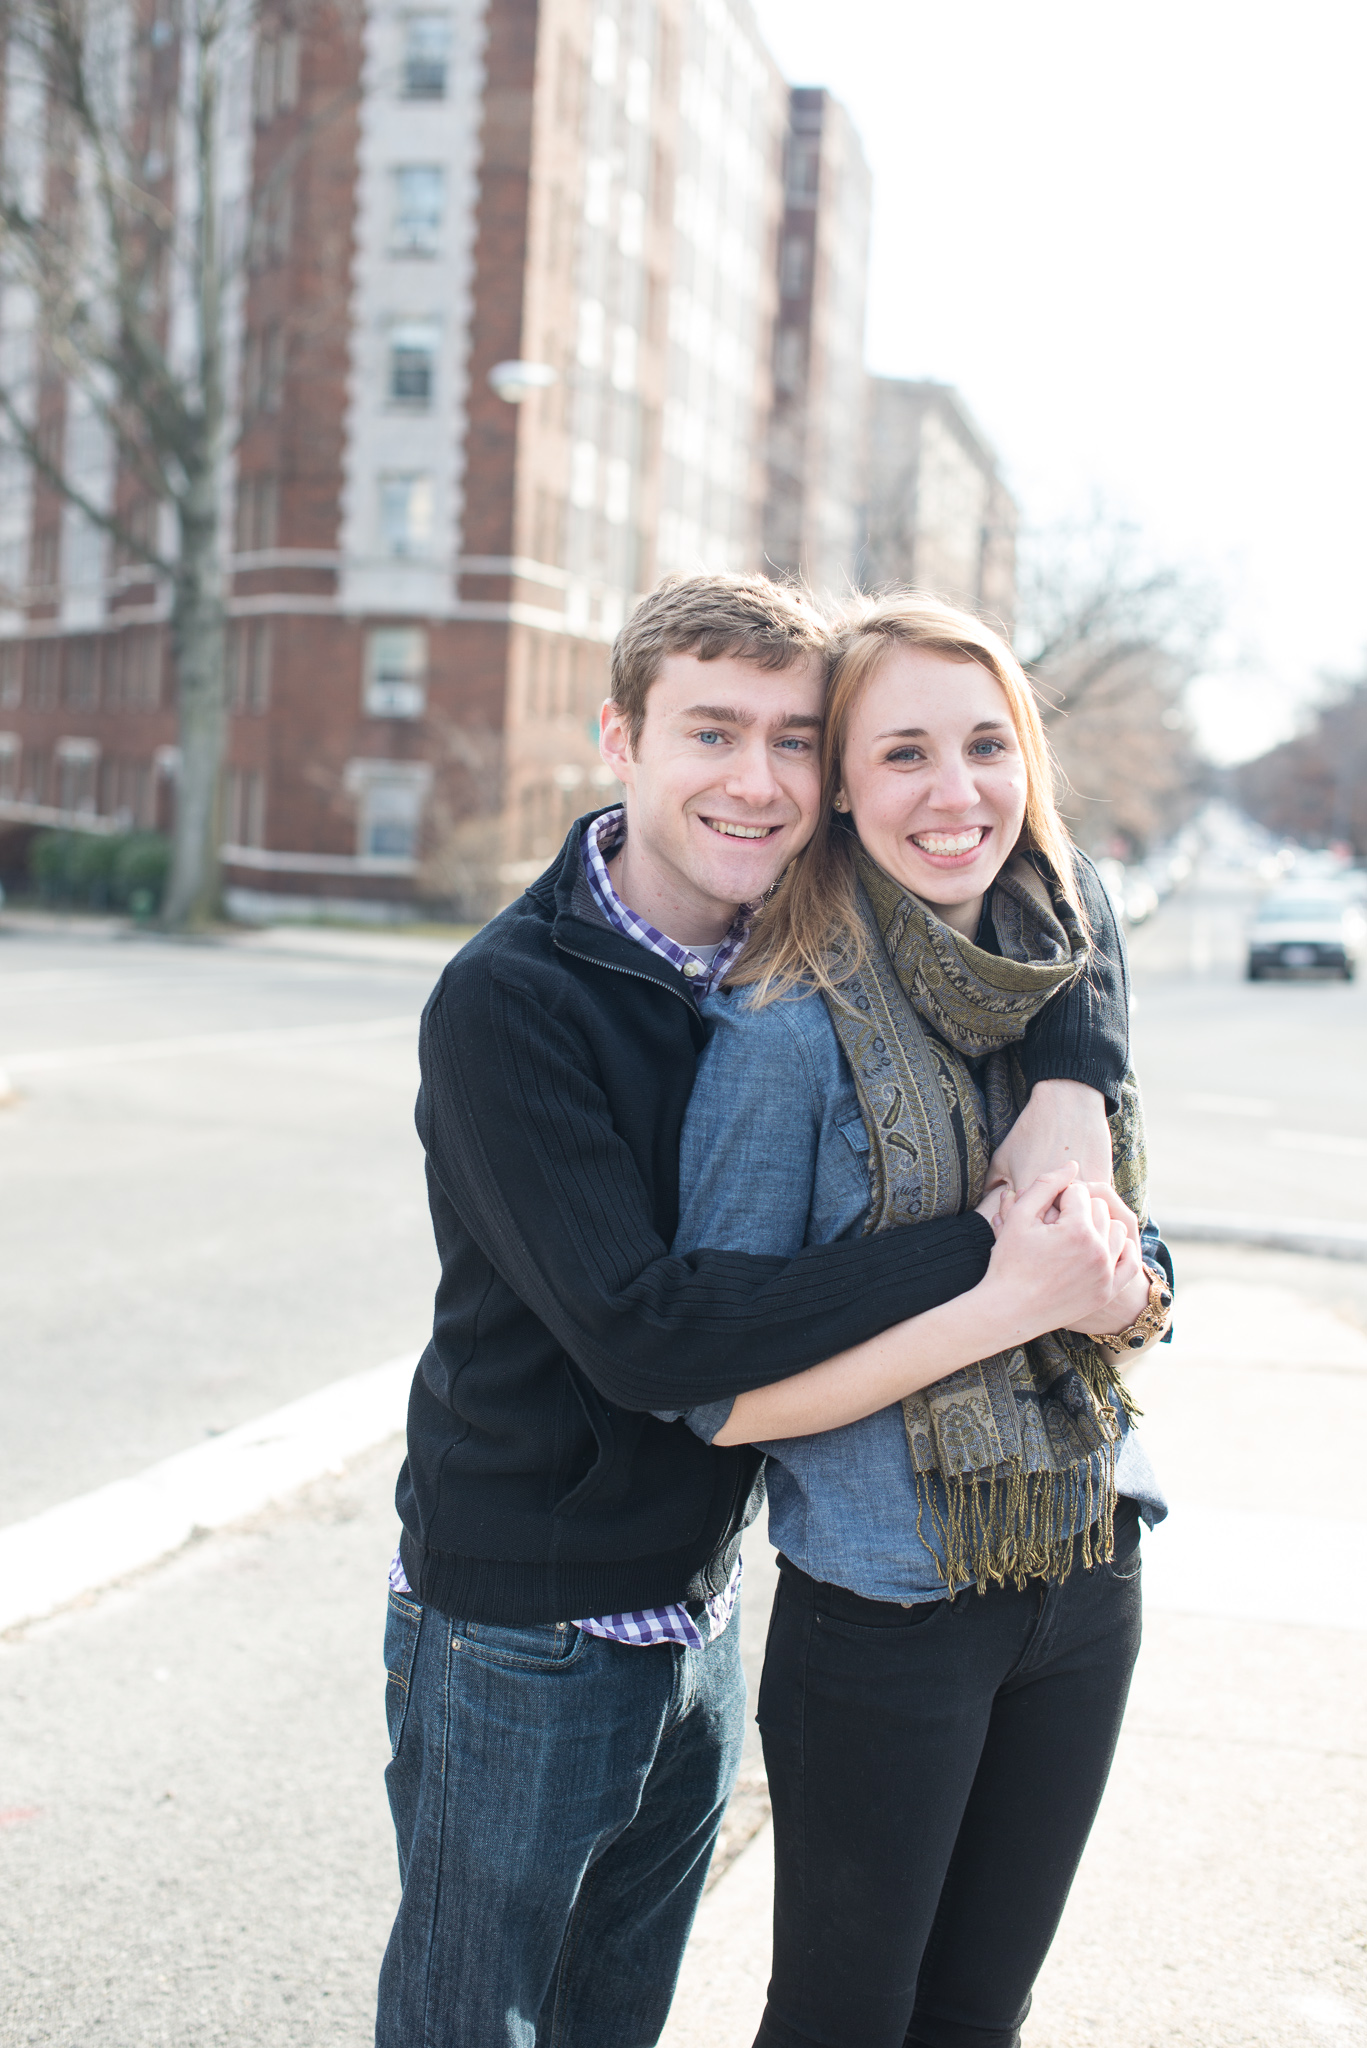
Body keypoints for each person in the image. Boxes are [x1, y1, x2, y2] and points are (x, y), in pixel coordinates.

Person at [375, 574, 1139, 2048]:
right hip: (528, 1612)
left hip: (700, 1591)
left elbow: (1056, 893)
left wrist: (1073, 1071)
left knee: (616, 2017)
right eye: (712, 733)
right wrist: (999, 1258)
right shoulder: (514, 999)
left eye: (795, 741)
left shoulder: (806, 947)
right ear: (620, 739)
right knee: (482, 2025)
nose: (758, 779)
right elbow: (650, 1334)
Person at [666, 592, 1174, 2048]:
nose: (956, 797)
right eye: (903, 755)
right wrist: (1008, 1297)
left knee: (978, 2018)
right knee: (845, 2021)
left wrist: (1125, 1288)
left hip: (1087, 1562)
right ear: (837, 785)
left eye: (985, 746)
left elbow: (1137, 1278)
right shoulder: (779, 1031)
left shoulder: (1059, 983)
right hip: (888, 1612)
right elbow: (722, 1395)